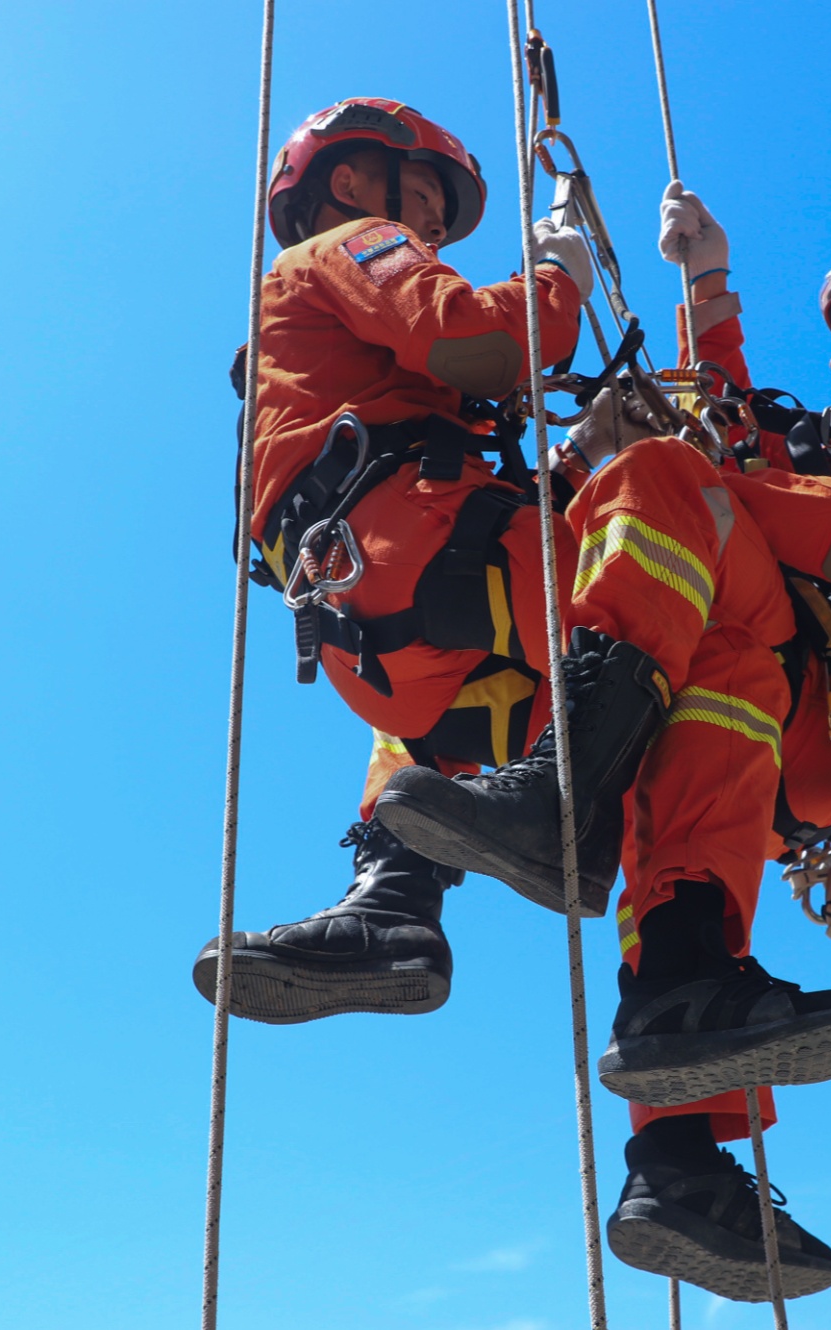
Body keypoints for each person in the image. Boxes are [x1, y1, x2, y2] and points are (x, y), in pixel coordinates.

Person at [377, 182, 831, 1300]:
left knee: (660, 488)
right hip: (729, 699)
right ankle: (677, 1157)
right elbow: (730, 417)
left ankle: (559, 806)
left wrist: (698, 474)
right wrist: (705, 282)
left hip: (817, 731)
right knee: (548, 602)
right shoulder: (813, 451)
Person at [191, 97, 595, 1024]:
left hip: (380, 646)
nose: (434, 230)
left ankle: (393, 904)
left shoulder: (323, 356)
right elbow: (488, 344)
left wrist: (580, 445)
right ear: (350, 182)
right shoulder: (348, 246)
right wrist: (556, 275)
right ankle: (628, 834)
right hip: (423, 553)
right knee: (658, 534)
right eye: (423, 198)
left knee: (425, 737)